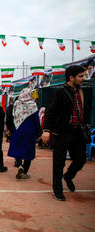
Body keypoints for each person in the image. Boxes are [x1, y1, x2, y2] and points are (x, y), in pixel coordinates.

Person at [41, 65, 91, 201]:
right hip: (62, 133)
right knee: (59, 163)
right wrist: (46, 130)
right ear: (71, 77)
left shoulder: (82, 92)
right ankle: (57, 190)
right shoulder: (60, 92)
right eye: (81, 76)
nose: (83, 78)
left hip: (78, 132)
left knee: (80, 159)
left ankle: (68, 176)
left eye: (84, 75)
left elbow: (85, 110)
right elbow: (50, 112)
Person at [7, 89, 41, 179]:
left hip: (18, 129)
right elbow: (36, 120)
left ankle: (19, 165)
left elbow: (11, 117)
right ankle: (24, 172)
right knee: (28, 150)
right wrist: (39, 133)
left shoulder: (16, 103)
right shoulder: (33, 105)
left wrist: (10, 129)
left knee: (18, 148)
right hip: (29, 130)